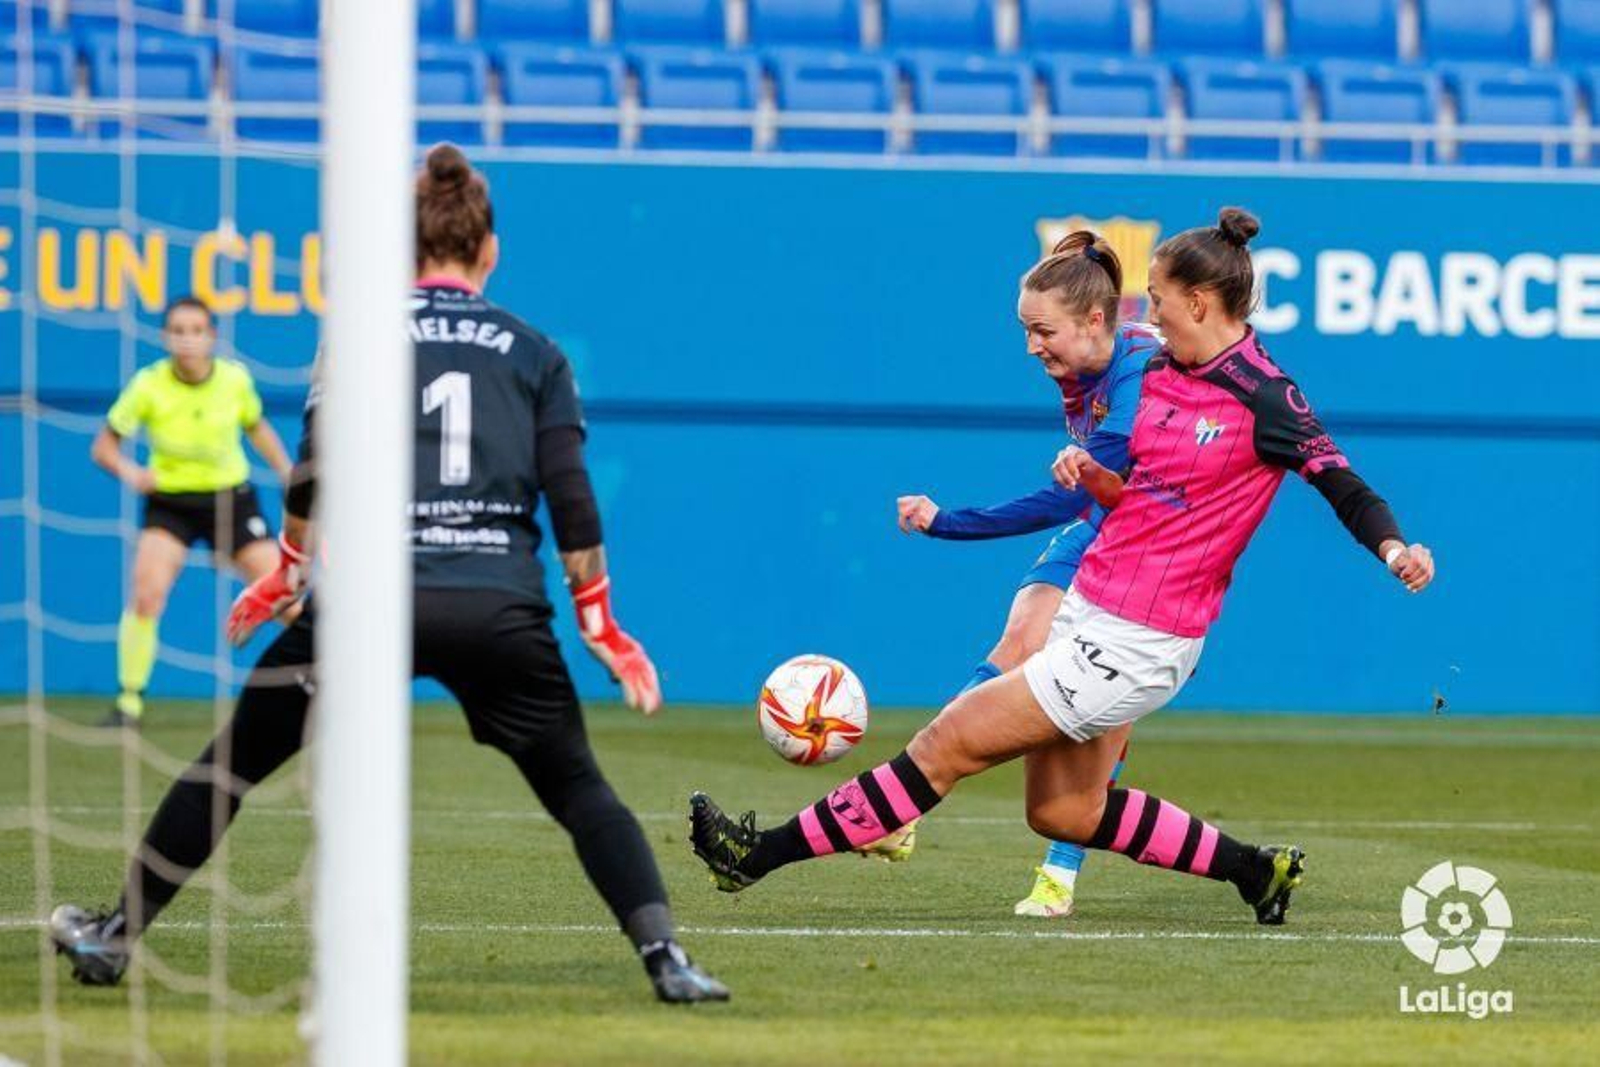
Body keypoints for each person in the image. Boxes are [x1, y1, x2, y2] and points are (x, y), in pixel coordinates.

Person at [50, 144, 728, 1004]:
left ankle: (115, 936)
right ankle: (666, 957)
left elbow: (311, 467)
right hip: (497, 606)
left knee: (233, 767)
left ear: (403, 250)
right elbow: (571, 494)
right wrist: (599, 621)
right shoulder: (538, 353)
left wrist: (289, 568)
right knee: (578, 787)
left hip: (368, 599)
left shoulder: (361, 336)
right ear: (489, 251)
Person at [687, 207, 1435, 928]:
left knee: (945, 744)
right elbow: (1147, 500)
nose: (1149, 318)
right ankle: (1256, 871)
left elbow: (1345, 484)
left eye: (1162, 302)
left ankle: (754, 855)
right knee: (1063, 812)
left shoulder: (1265, 396)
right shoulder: (1163, 370)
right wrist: (1095, 477)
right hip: (1095, 603)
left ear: (1201, 302)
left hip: (1142, 635)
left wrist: (1395, 548)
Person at [892, 232, 1160, 918]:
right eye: (1025, 330)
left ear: (1094, 320)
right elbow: (1087, 498)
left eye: (1041, 330)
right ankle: (903, 805)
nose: (1031, 346)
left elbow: (1074, 494)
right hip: (1104, 522)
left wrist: (948, 521)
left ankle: (1059, 872)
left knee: (1103, 717)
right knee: (1017, 644)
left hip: (1156, 547)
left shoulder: (1141, 368)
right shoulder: (1077, 374)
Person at [90, 296, 294, 727]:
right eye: (178, 331)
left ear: (211, 337)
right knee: (146, 592)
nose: (187, 340)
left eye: (196, 331)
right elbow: (103, 447)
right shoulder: (147, 385)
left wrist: (285, 472)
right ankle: (129, 702)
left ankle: (334, 686)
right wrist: (132, 473)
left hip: (231, 500)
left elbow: (257, 427)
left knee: (285, 596)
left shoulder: (234, 381)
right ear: (165, 337)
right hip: (171, 505)